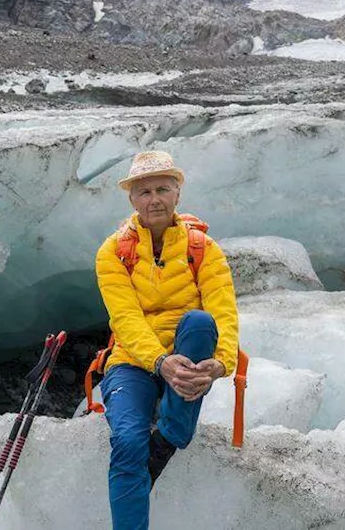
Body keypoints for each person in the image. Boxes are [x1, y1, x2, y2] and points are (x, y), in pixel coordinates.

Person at [93, 150, 239, 530]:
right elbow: (124, 319)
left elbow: (224, 311)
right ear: (132, 199)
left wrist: (222, 362)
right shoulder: (113, 253)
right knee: (127, 442)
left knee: (200, 321)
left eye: (162, 189)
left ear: (177, 194)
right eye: (144, 192)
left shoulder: (203, 249)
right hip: (132, 361)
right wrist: (160, 361)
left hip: (188, 356)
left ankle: (170, 434)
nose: (153, 198)